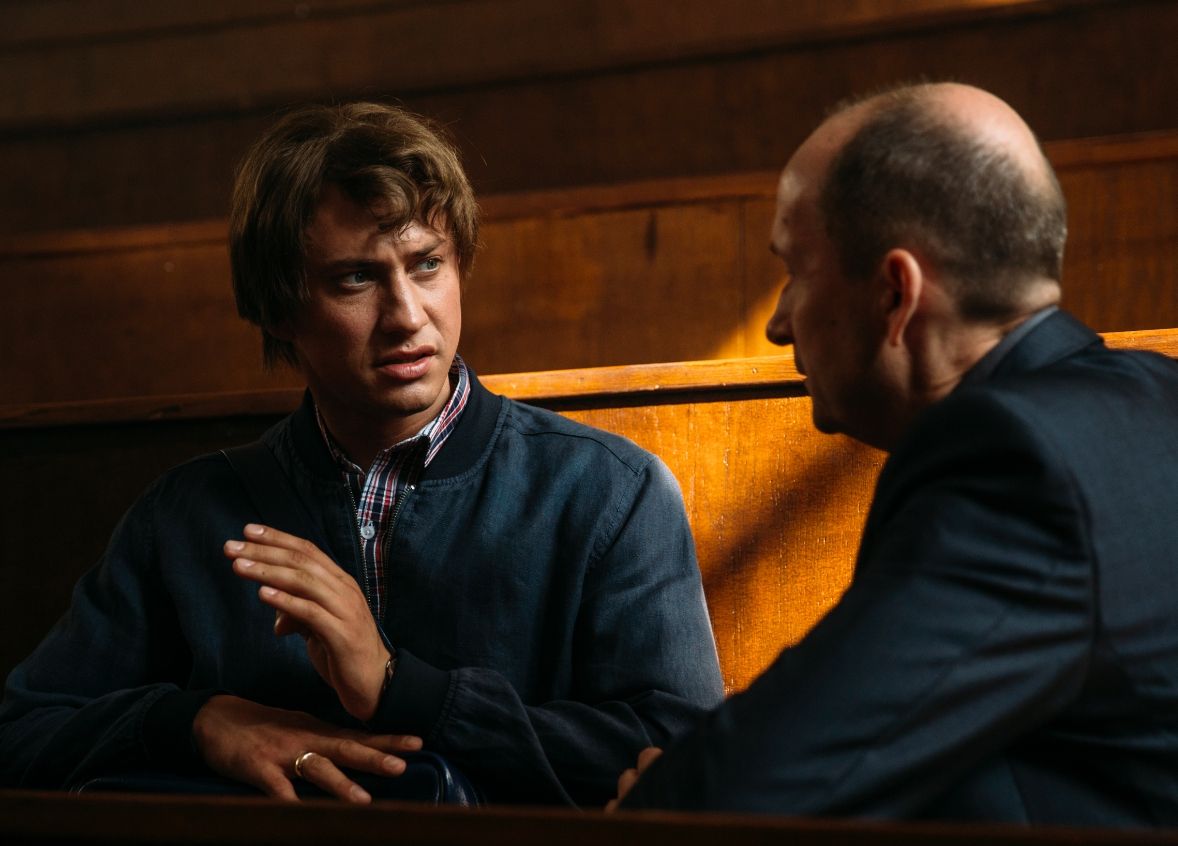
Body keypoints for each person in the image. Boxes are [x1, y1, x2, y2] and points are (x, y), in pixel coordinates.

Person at [0, 102, 724, 806]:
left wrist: (400, 688)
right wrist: (198, 722)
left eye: (427, 264)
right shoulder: (184, 514)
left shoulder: (608, 490)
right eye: (356, 278)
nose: (407, 316)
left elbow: (686, 758)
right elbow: (20, 731)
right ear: (279, 308)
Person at [612, 82, 1178, 826]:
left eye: (796, 271)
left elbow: (757, 787)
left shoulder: (1013, 462)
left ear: (895, 293)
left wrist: (660, 795)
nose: (778, 323)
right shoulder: (1157, 393)